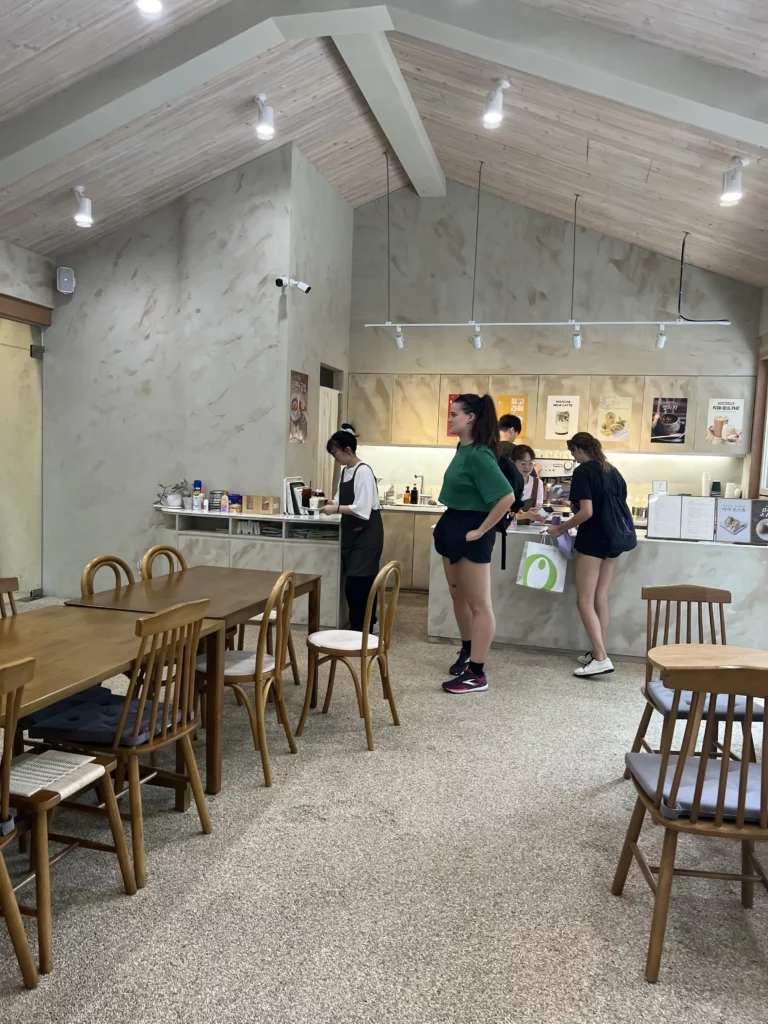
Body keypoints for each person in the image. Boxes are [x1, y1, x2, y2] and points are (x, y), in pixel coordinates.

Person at [434, 394, 515, 694]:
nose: (450, 418)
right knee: (458, 596)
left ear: (470, 418)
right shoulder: (463, 448)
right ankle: (467, 651)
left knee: (480, 605)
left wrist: (481, 530)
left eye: (454, 414)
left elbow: (506, 497)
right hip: (452, 526)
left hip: (471, 529)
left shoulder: (480, 454)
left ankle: (476, 674)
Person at [546, 432, 636, 678]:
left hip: (594, 538)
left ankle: (600, 657)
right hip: (614, 539)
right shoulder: (612, 471)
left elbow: (586, 512)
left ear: (578, 449)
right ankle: (598, 650)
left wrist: (559, 529)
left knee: (584, 599)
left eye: (572, 453)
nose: (573, 458)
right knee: (600, 597)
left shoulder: (583, 471)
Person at [320, 430, 383, 632]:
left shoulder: (363, 470)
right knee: (352, 584)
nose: (335, 458)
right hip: (351, 533)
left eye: (335, 453)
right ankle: (358, 627)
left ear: (348, 449)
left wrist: (335, 509)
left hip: (367, 534)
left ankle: (365, 628)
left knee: (360, 583)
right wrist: (328, 502)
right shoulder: (345, 471)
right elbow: (340, 500)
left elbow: (362, 509)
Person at [510, 445, 545, 523]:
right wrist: (526, 515)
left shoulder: (538, 483)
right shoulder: (506, 483)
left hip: (528, 529)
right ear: (513, 463)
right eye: (523, 464)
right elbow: (502, 514)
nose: (527, 467)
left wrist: (540, 516)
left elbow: (537, 509)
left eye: (530, 463)